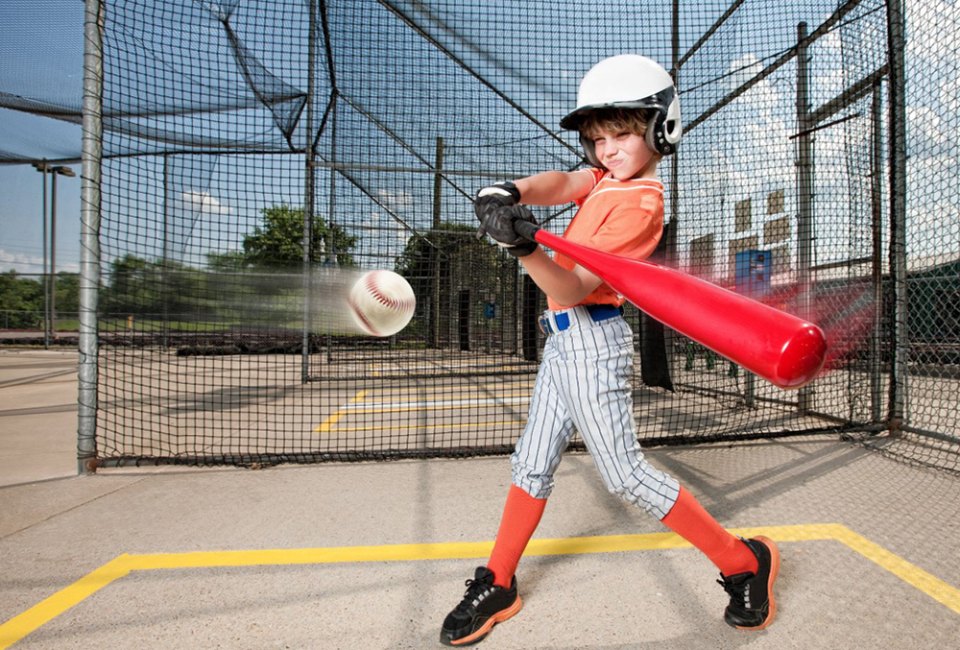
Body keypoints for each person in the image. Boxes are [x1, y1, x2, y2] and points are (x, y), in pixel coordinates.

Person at [439, 54, 780, 646]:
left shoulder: (641, 203)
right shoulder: (602, 181)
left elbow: (569, 287)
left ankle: (743, 563)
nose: (608, 148)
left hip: (595, 341)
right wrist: (511, 191)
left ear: (658, 129)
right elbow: (566, 182)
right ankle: (498, 580)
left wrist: (526, 251)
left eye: (622, 133)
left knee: (624, 475)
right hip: (562, 347)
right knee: (532, 460)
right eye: (598, 138)